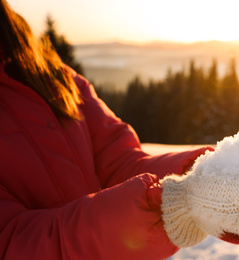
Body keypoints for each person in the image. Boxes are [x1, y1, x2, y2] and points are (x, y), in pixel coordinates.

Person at [0, 1, 213, 259]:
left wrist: (203, 170)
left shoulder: (53, 77)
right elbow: (10, 242)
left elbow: (119, 163)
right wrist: (142, 208)